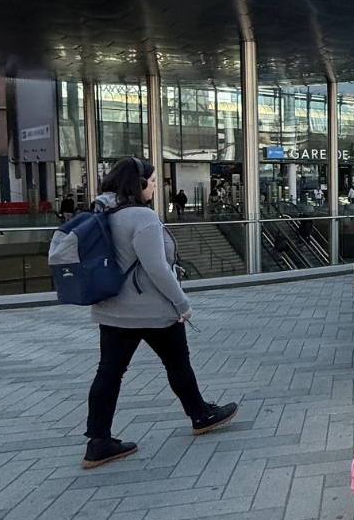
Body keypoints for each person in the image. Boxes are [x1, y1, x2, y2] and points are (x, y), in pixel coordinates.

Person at [82, 158, 238, 468]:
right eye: (152, 182)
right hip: (153, 310)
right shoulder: (142, 217)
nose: (155, 187)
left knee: (109, 372)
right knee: (177, 363)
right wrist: (182, 304)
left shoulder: (101, 211)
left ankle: (98, 442)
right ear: (138, 184)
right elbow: (157, 269)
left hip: (112, 309)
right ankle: (200, 414)